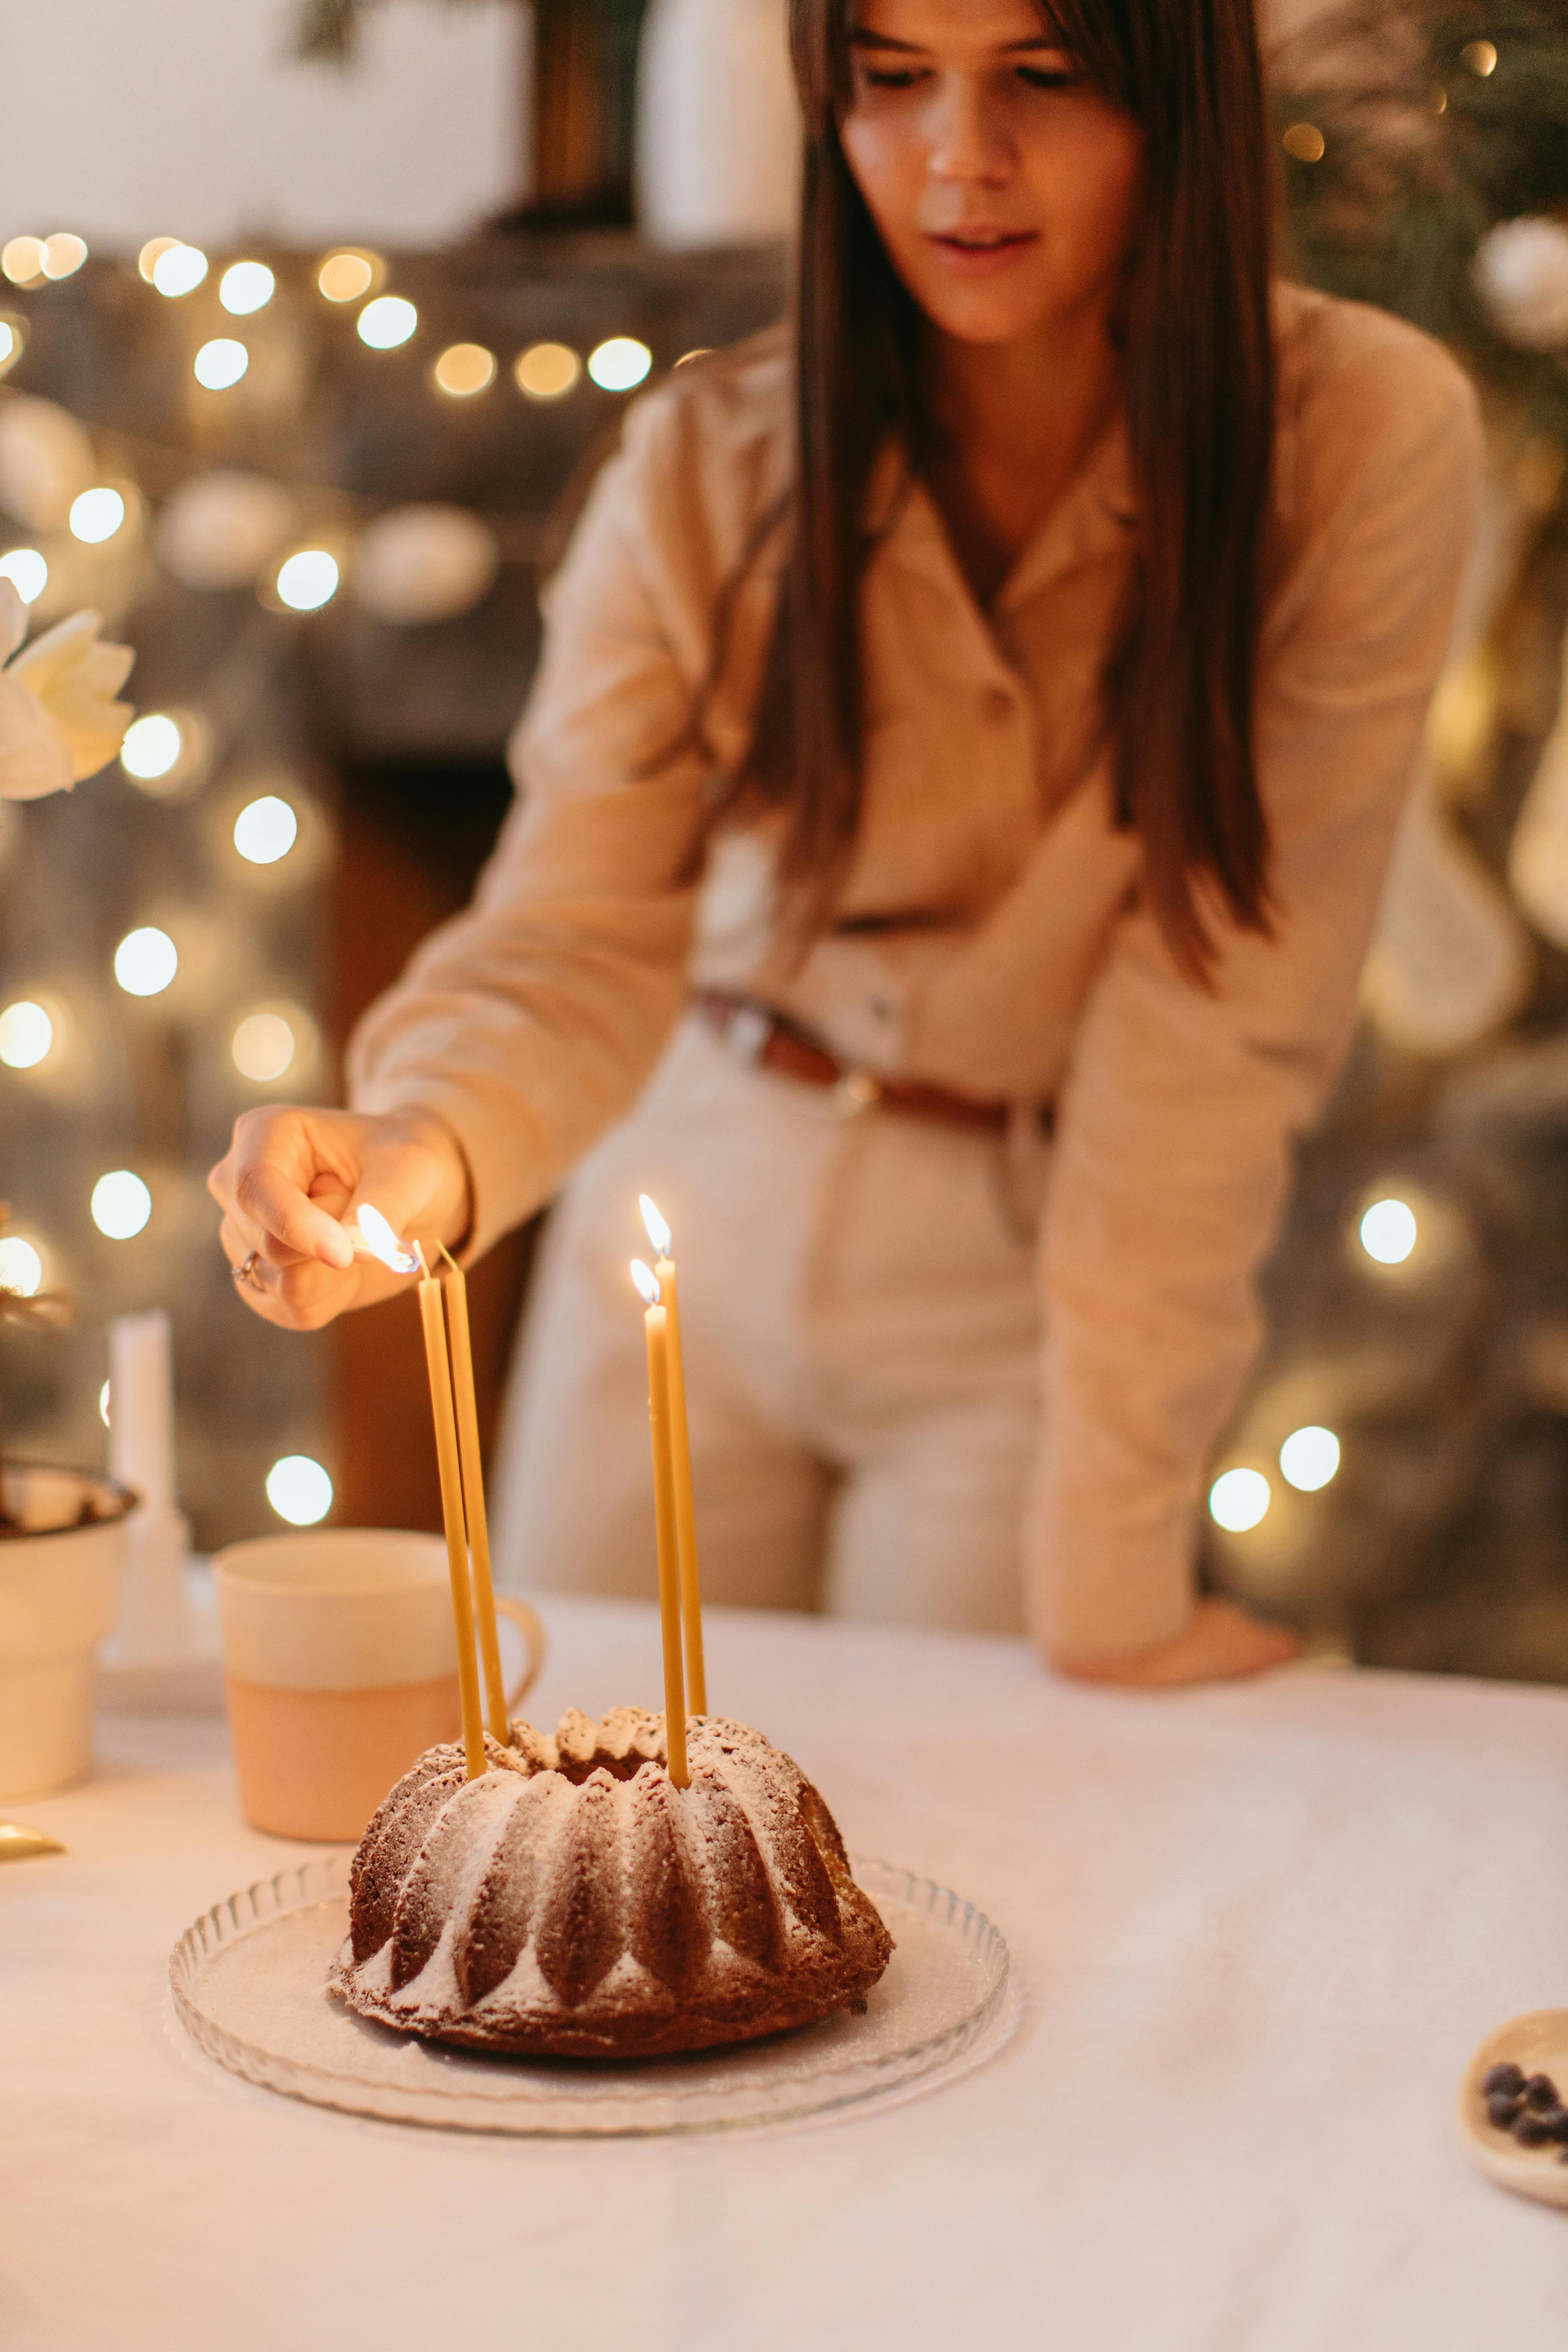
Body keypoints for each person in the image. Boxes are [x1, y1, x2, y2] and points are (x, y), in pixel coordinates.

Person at [210, 0, 1481, 1687]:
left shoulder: (1352, 435)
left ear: (1173, 92)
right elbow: (574, 929)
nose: (960, 156)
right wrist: (423, 1149)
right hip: (685, 1199)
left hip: (1010, 1280)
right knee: (586, 1802)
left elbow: (1216, 1021)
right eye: (891, 81)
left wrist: (1111, 1566)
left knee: (964, 1858)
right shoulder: (705, 460)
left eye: (1042, 76)